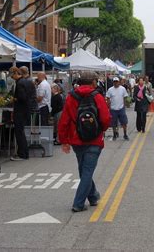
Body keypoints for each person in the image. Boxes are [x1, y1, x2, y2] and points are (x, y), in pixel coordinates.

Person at [58, 71, 111, 212]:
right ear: (93, 82)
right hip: (94, 139)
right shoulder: (97, 96)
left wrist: (64, 140)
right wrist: (101, 129)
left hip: (76, 138)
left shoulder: (71, 97)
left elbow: (64, 120)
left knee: (84, 170)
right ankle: (78, 203)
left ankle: (93, 196)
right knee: (87, 171)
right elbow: (106, 118)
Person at [9, 67, 36, 161]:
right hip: (27, 109)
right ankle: (24, 153)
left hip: (20, 110)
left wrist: (14, 99)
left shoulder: (20, 83)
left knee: (19, 132)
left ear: (16, 73)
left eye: (12, 75)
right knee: (21, 132)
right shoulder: (28, 81)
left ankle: (23, 154)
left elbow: (22, 97)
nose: (11, 77)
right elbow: (32, 96)